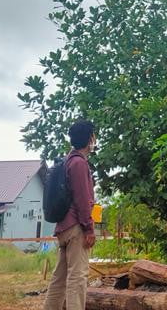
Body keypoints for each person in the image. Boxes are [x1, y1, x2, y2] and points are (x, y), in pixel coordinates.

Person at [45, 121, 97, 310]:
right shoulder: (79, 163)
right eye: (93, 136)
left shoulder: (67, 161)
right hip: (76, 228)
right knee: (78, 277)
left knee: (59, 279)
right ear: (89, 138)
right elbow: (83, 200)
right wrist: (89, 228)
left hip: (63, 227)